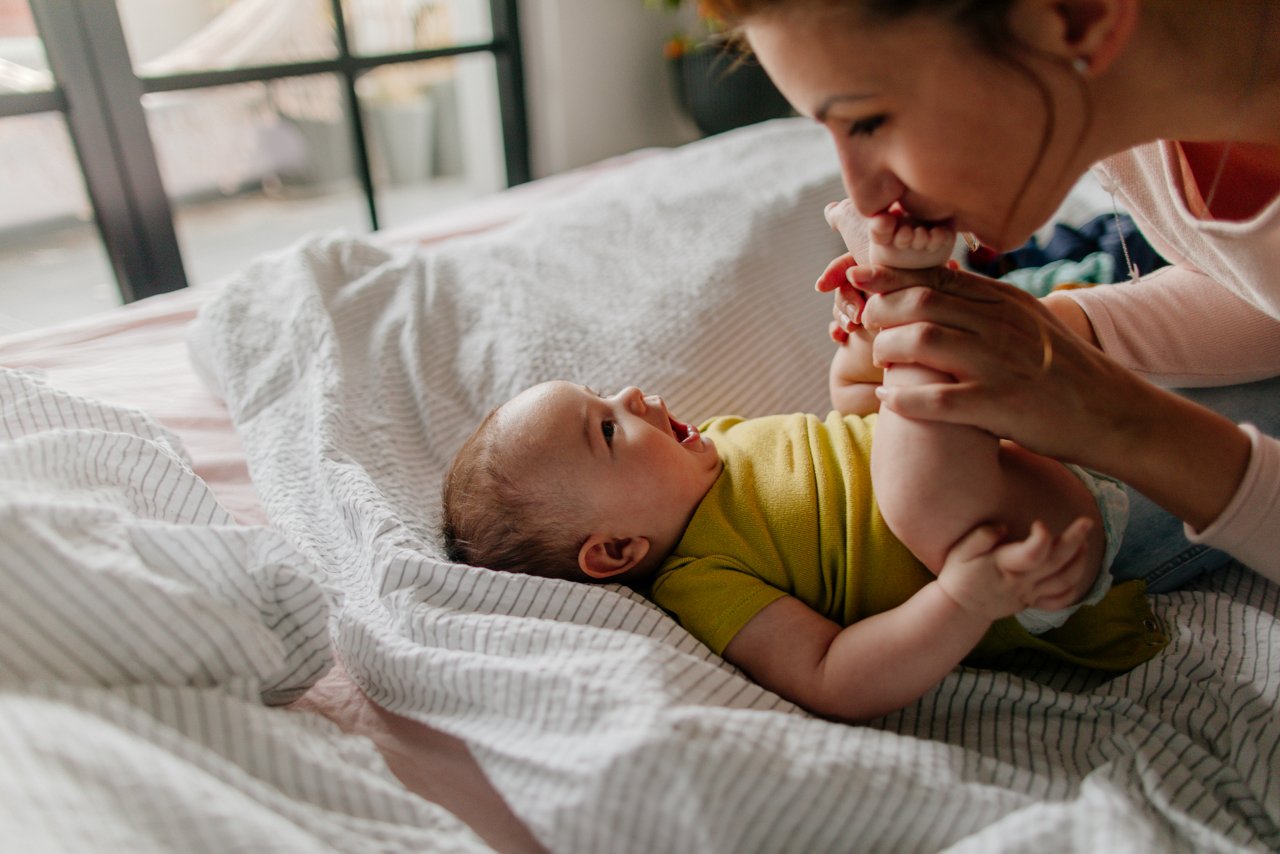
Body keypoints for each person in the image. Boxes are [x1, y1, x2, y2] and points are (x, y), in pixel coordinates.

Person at [440, 212, 1166, 723]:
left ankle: (910, 321)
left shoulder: (719, 444)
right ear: (618, 550)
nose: (628, 394)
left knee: (896, 402)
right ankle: (918, 296)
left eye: (604, 394)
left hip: (1038, 447)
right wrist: (964, 601)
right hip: (1018, 548)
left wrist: (858, 354)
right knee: (917, 489)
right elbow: (834, 676)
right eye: (606, 427)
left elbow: (849, 429)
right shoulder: (703, 581)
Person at [699, 0, 1280, 590]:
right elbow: (1259, 287)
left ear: (1076, 15)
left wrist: (1118, 420)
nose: (867, 196)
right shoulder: (1137, 102)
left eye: (870, 121)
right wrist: (1054, 333)